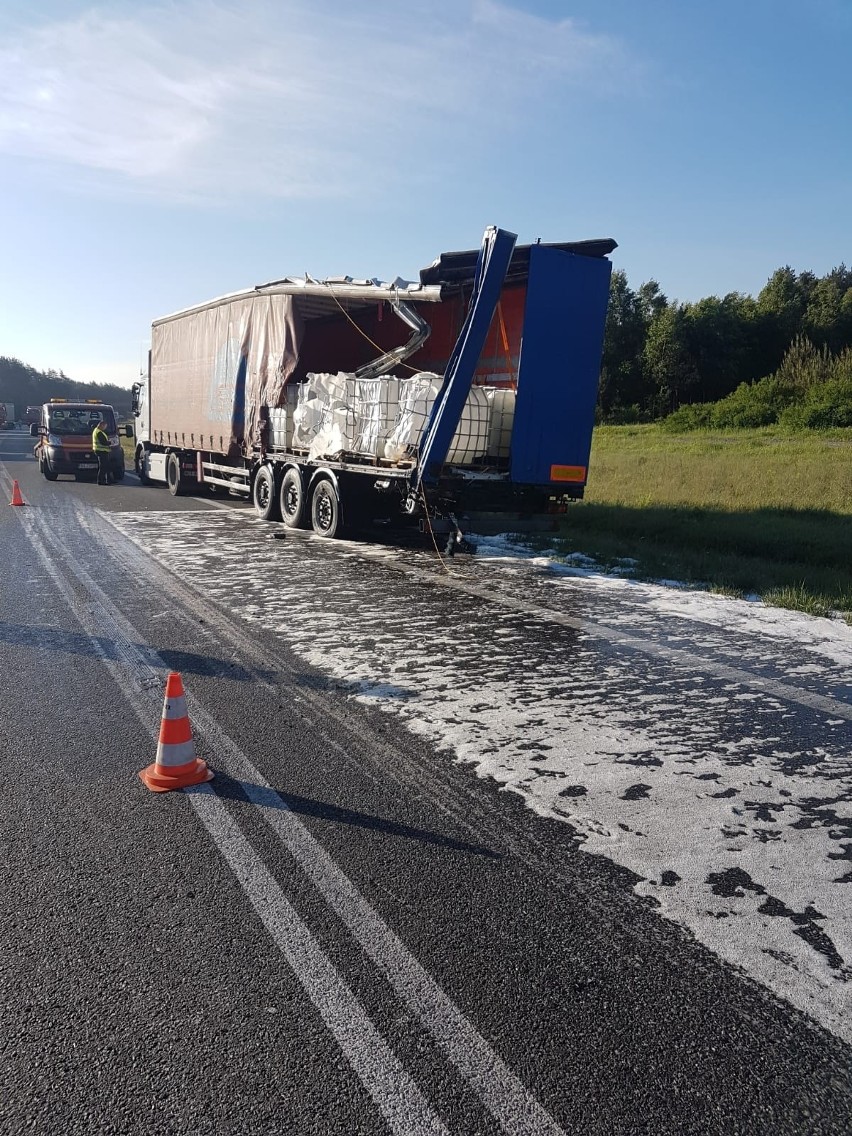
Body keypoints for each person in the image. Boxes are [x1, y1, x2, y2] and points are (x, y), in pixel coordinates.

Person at [92, 418, 112, 485]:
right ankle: (101, 481)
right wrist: (109, 442)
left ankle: (107, 480)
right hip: (101, 451)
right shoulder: (99, 432)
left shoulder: (96, 430)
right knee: (103, 467)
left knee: (105, 466)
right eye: (105, 426)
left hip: (100, 450)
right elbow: (103, 442)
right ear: (101, 425)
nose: (105, 428)